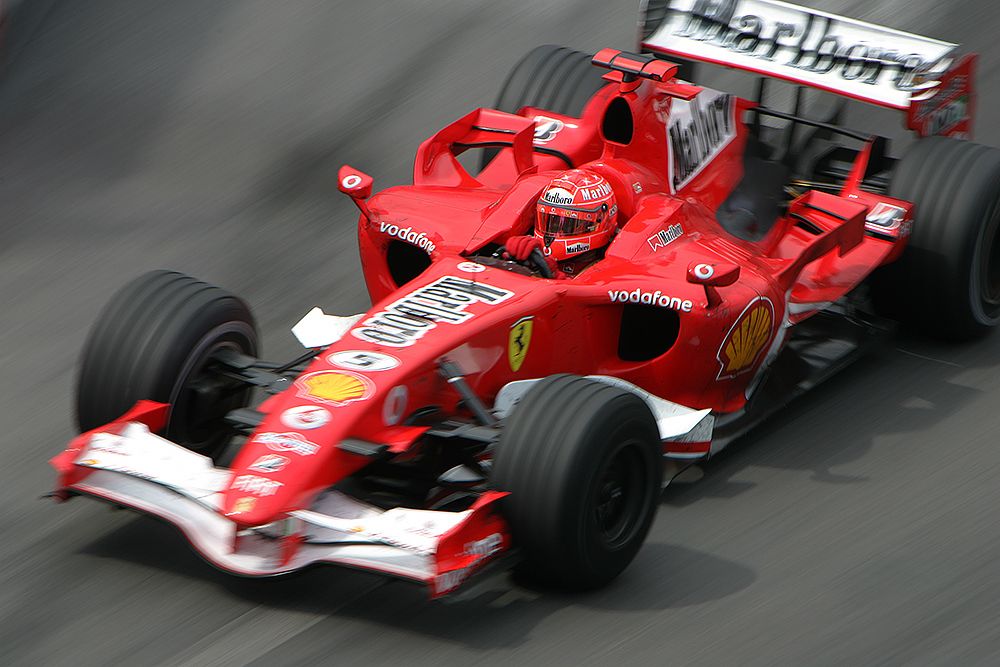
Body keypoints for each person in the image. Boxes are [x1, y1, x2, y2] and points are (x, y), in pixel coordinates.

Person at [504, 168, 619, 277]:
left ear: (600, 221)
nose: (554, 229)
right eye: (549, 221)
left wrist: (554, 276)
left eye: (569, 224)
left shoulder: (613, 270)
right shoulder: (537, 254)